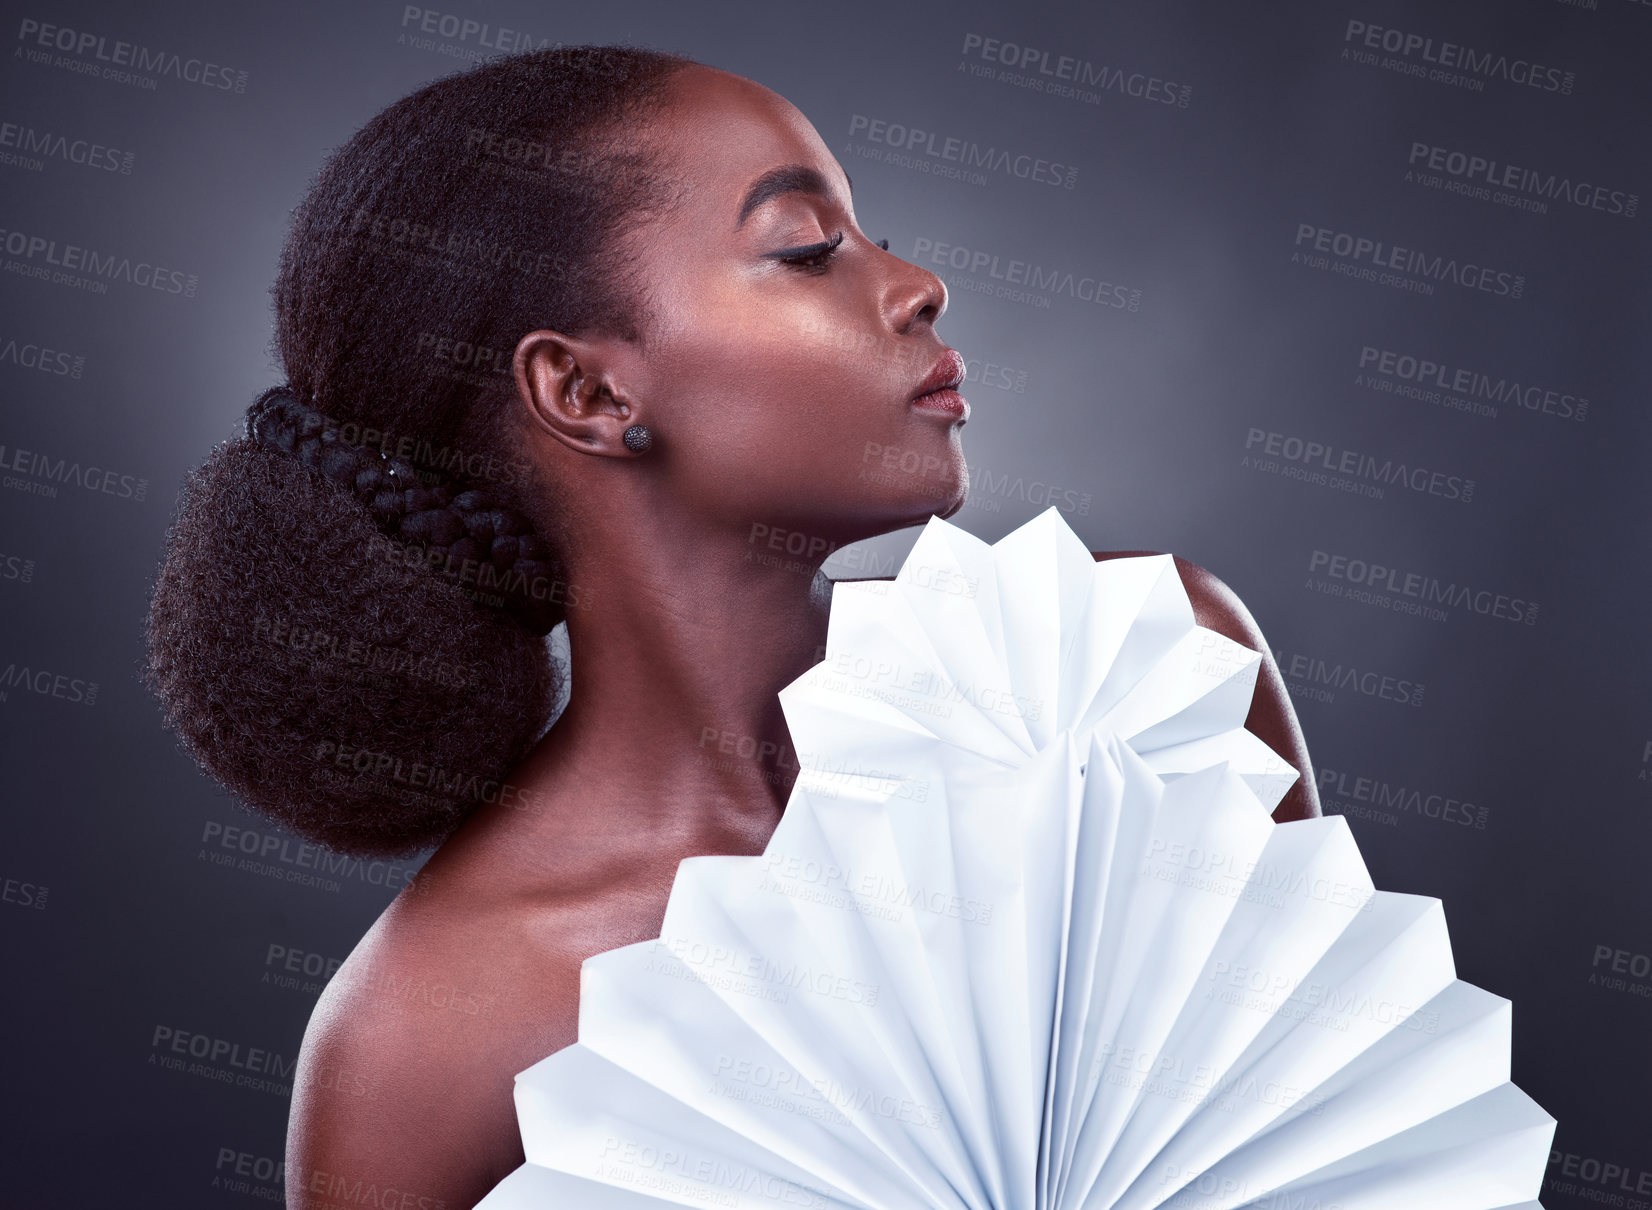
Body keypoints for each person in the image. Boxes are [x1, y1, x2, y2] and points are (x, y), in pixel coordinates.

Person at [144, 45, 1319, 1210]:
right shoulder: (426, 1035)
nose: (915, 284)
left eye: (869, 232)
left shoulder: (1133, 666)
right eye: (807, 250)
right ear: (590, 394)